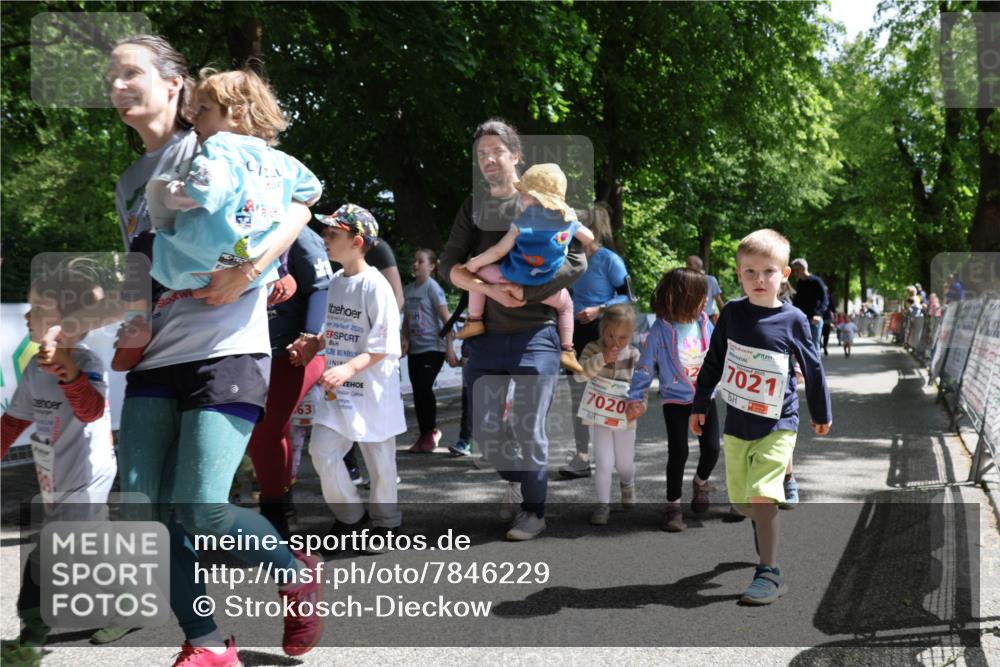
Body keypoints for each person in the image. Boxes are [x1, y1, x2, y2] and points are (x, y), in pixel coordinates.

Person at [102, 36, 325, 665]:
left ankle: (295, 570)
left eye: (131, 73)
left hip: (227, 350)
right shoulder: (130, 179)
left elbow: (304, 208)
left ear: (176, 86)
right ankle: (206, 644)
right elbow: (138, 260)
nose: (117, 86)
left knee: (200, 507)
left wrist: (252, 266)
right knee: (147, 511)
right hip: (153, 361)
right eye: (110, 76)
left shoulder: (215, 142)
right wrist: (130, 324)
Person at [440, 118, 586, 541]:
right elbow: (452, 266)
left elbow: (577, 261)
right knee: (486, 435)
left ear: (516, 155)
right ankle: (527, 480)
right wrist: (490, 291)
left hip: (537, 335)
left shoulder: (545, 201)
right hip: (484, 336)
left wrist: (526, 289)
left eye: (496, 152)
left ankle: (534, 510)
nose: (487, 160)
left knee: (528, 427)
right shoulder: (472, 208)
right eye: (481, 154)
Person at [690, 229, 831, 605]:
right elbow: (714, 360)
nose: (758, 279)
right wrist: (700, 403)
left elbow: (813, 368)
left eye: (768, 271)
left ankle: (769, 571)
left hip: (778, 423)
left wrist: (821, 411)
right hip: (737, 424)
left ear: (784, 275)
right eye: (749, 271)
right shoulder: (732, 314)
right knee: (740, 504)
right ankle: (785, 476)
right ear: (737, 274)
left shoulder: (794, 319)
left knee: (762, 499)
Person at [0, 264, 117, 666]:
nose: (27, 315)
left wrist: (69, 374)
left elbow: (91, 410)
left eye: (37, 308)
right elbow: (14, 420)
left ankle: (32, 638)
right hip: (55, 476)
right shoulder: (34, 366)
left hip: (88, 477)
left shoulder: (86, 360)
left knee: (47, 555)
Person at [288, 204, 405, 539]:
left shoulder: (376, 285)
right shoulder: (337, 281)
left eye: (333, 234)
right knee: (322, 453)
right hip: (339, 392)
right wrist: (316, 344)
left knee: (380, 464)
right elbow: (340, 329)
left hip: (372, 392)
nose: (325, 238)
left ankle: (387, 524)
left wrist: (348, 368)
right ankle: (352, 517)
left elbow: (382, 345)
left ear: (356, 242)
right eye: (325, 232)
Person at [456, 162, 592, 375]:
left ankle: (474, 320)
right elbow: (589, 239)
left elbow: (498, 252)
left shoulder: (521, 222)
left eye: (524, 195)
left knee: (477, 276)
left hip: (507, 277)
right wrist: (573, 223)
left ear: (536, 199)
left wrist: (474, 263)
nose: (519, 199)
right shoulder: (567, 221)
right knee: (566, 305)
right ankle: (567, 349)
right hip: (544, 286)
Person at [246, 226, 330, 539]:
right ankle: (282, 502)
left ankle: (274, 515)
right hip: (254, 350)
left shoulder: (299, 232)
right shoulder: (247, 224)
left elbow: (321, 288)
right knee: (273, 430)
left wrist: (309, 337)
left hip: (296, 352)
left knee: (264, 431)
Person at [627, 268, 720, 532]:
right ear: (686, 297)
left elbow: (717, 355)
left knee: (712, 448)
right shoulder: (661, 329)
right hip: (675, 399)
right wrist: (636, 396)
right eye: (703, 296)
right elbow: (645, 366)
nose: (707, 301)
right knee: (679, 451)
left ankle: (701, 483)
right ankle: (673, 505)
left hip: (704, 397)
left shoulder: (704, 322)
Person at [561, 202, 632, 479]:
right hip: (574, 334)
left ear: (589, 231)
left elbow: (628, 295)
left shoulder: (609, 260)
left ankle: (614, 456)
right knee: (576, 395)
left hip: (602, 334)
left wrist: (599, 309)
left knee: (606, 393)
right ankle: (582, 456)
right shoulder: (570, 259)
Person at [573, 305, 641, 525]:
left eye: (622, 337)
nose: (615, 342)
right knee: (603, 462)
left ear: (631, 335)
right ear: (602, 330)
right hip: (597, 416)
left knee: (624, 463)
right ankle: (603, 504)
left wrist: (639, 405)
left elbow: (641, 387)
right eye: (610, 335)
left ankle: (627, 483)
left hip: (624, 419)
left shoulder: (634, 355)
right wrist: (601, 358)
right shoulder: (593, 349)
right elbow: (580, 375)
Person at [402, 249, 458, 453]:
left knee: (424, 388)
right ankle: (424, 434)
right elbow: (407, 320)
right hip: (415, 349)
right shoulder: (408, 290)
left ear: (432, 267)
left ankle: (432, 431)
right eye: (414, 261)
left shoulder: (432, 288)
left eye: (421, 261)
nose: (415, 264)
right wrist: (405, 339)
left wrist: (450, 349)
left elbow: (447, 320)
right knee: (418, 391)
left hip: (434, 347)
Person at [790, 258, 828, 355]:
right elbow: (797, 302)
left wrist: (819, 315)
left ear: (802, 268)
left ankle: (815, 370)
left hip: (814, 321)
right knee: (801, 347)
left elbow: (825, 300)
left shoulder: (816, 281)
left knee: (814, 348)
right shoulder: (800, 283)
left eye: (796, 270)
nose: (794, 273)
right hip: (802, 320)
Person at [686, 255, 725, 324]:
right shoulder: (685, 281)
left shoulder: (711, 280)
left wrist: (726, 320)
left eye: (689, 264)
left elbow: (719, 302)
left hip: (709, 319)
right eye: (687, 264)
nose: (686, 267)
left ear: (698, 266)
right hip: (690, 319)